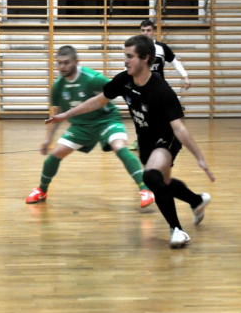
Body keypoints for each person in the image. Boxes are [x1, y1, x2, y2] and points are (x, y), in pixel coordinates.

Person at [46, 35, 214, 249]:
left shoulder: (161, 89)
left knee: (151, 177)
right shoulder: (124, 80)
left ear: (145, 58)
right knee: (164, 184)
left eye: (129, 56)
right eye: (125, 56)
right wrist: (66, 115)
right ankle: (196, 201)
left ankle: (178, 231)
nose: (125, 61)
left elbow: (179, 127)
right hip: (145, 141)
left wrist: (200, 158)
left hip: (166, 139)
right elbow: (98, 100)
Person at [26, 45, 155, 210]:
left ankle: (145, 189)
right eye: (59, 63)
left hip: (106, 119)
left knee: (119, 147)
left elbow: (116, 87)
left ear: (76, 62)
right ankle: (42, 190)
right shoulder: (58, 86)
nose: (62, 67)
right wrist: (47, 139)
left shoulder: (91, 78)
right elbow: (58, 112)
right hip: (81, 125)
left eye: (66, 63)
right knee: (55, 154)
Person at [130, 19, 191, 151]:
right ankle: (140, 139)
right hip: (141, 88)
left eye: (148, 30)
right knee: (141, 116)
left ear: (154, 32)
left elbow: (175, 62)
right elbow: (129, 66)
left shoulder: (161, 48)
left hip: (159, 89)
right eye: (143, 30)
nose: (145, 33)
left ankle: (167, 138)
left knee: (164, 115)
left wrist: (185, 76)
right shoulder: (136, 50)